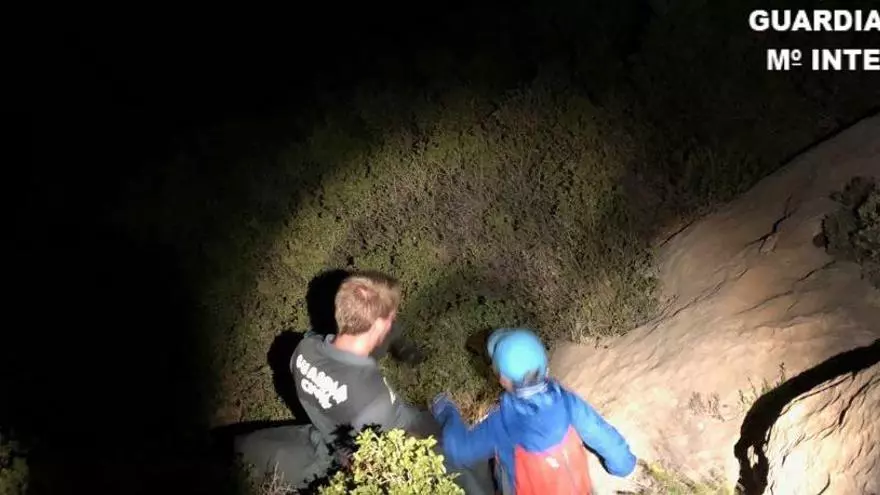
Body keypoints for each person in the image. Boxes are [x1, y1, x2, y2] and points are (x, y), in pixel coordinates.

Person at [290, 269, 494, 493]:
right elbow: (403, 440)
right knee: (467, 464)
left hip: (333, 434)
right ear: (378, 325)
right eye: (390, 318)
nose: (392, 323)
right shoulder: (375, 400)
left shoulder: (303, 351)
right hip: (400, 440)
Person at [431, 328, 638, 495]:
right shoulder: (567, 402)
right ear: (546, 368)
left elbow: (459, 450)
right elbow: (602, 434)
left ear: (502, 380)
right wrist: (624, 465)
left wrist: (446, 411)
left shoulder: (503, 422)